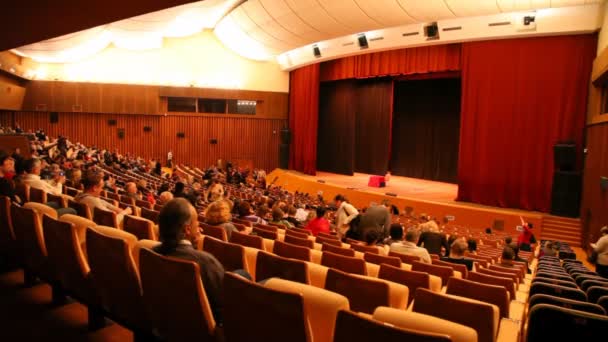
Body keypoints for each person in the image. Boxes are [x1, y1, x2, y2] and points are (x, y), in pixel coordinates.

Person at [153, 198, 225, 323]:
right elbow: (224, 306)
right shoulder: (205, 262)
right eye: (197, 224)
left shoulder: (152, 252)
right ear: (186, 229)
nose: (200, 229)